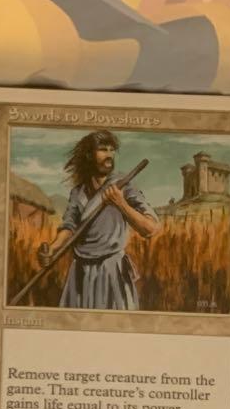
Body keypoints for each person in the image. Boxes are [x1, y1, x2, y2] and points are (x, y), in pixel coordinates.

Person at [38, 130, 158, 310]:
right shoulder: (78, 192)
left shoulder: (124, 185)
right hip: (80, 273)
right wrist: (53, 248)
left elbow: (151, 229)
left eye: (111, 150)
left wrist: (121, 204)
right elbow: (69, 226)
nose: (109, 155)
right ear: (89, 155)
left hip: (112, 271)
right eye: (103, 149)